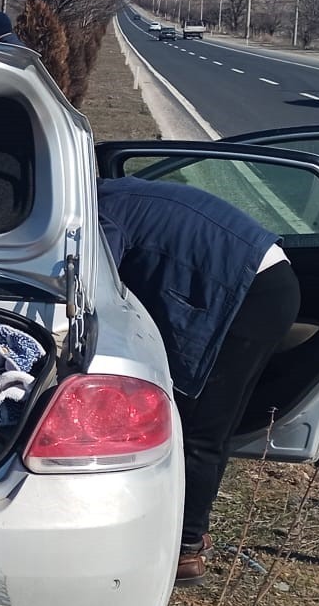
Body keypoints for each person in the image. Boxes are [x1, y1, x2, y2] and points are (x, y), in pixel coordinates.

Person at [98, 177, 301, 584]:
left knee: (200, 426)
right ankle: (193, 529)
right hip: (270, 281)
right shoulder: (117, 195)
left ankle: (185, 548)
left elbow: (96, 293)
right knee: (215, 426)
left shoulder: (100, 214)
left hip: (252, 292)